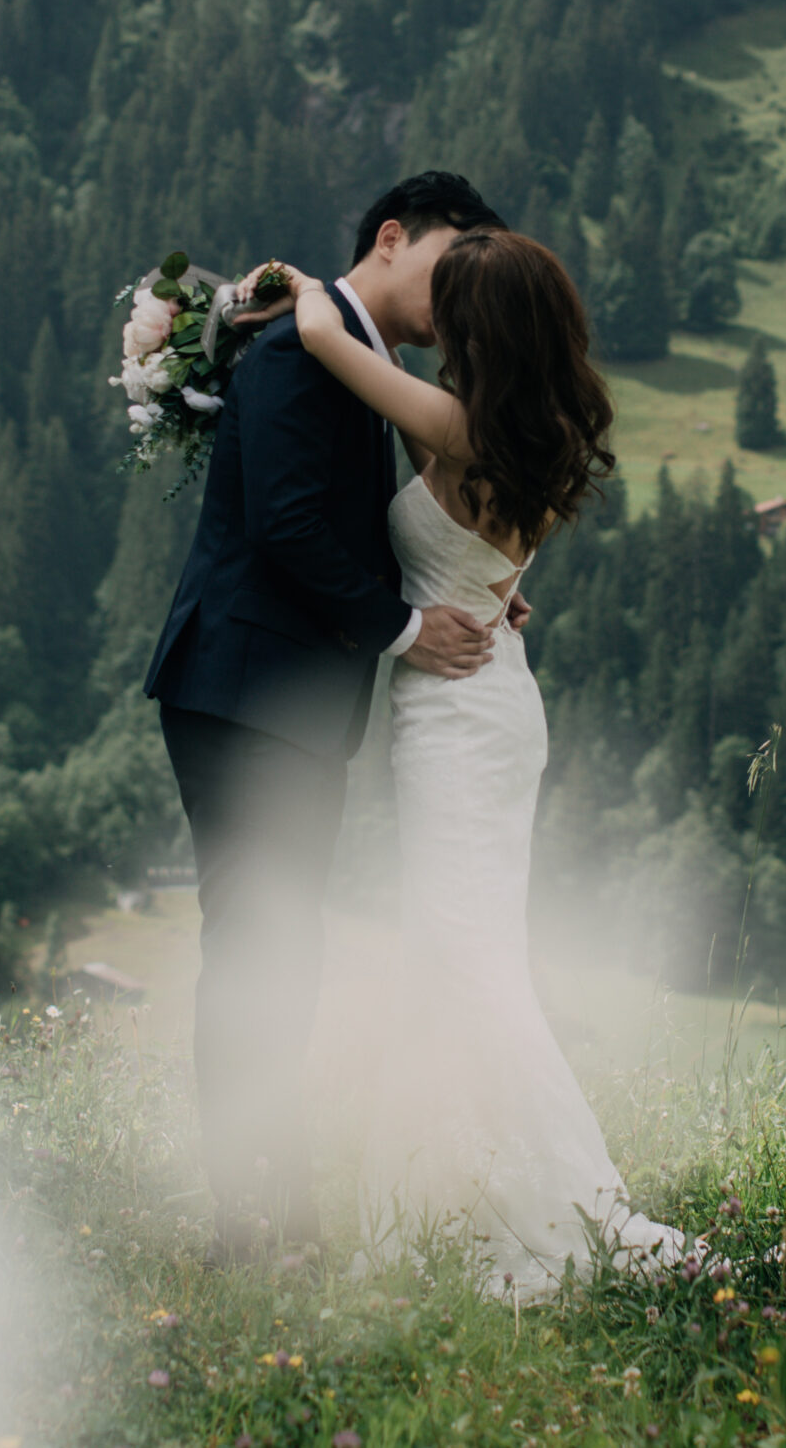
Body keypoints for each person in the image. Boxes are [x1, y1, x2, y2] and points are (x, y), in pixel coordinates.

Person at [261, 229, 693, 1298]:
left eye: (452, 310)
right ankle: (456, 1198)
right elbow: (469, 540)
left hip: (457, 716)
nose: (434, 325)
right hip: (485, 693)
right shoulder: (525, 429)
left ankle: (563, 1205)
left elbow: (326, 336)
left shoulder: (459, 425)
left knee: (464, 961)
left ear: (483, 332)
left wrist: (299, 287)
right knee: (459, 953)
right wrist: (486, 584)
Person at [144, 172, 512, 1261]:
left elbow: (350, 524)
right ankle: (249, 1223)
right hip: (243, 692)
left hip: (285, 703)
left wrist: (473, 586)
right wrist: (405, 630)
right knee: (258, 951)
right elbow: (289, 525)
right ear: (392, 238)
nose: (460, 295)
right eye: (451, 264)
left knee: (282, 950)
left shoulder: (349, 351)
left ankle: (274, 1210)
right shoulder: (298, 354)